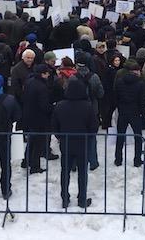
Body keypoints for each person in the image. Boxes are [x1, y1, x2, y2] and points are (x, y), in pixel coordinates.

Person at [52, 78, 99, 209]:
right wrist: (89, 136)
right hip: (82, 142)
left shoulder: (60, 105)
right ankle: (82, 199)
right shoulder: (87, 106)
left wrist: (60, 136)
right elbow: (94, 126)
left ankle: (65, 198)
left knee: (65, 171)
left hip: (66, 143)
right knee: (82, 172)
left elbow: (54, 125)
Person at [114, 61, 145, 167]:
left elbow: (115, 96)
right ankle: (137, 160)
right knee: (138, 137)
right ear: (136, 71)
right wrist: (143, 114)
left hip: (123, 111)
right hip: (135, 112)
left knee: (120, 136)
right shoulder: (141, 83)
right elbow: (143, 101)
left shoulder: (119, 81)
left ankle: (118, 159)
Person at [20, 64, 52, 173]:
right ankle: (35, 166)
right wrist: (51, 108)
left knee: (32, 140)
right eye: (47, 73)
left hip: (28, 115)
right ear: (42, 74)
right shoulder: (42, 86)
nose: (48, 75)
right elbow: (44, 105)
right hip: (39, 118)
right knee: (37, 142)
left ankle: (26, 161)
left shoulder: (29, 82)